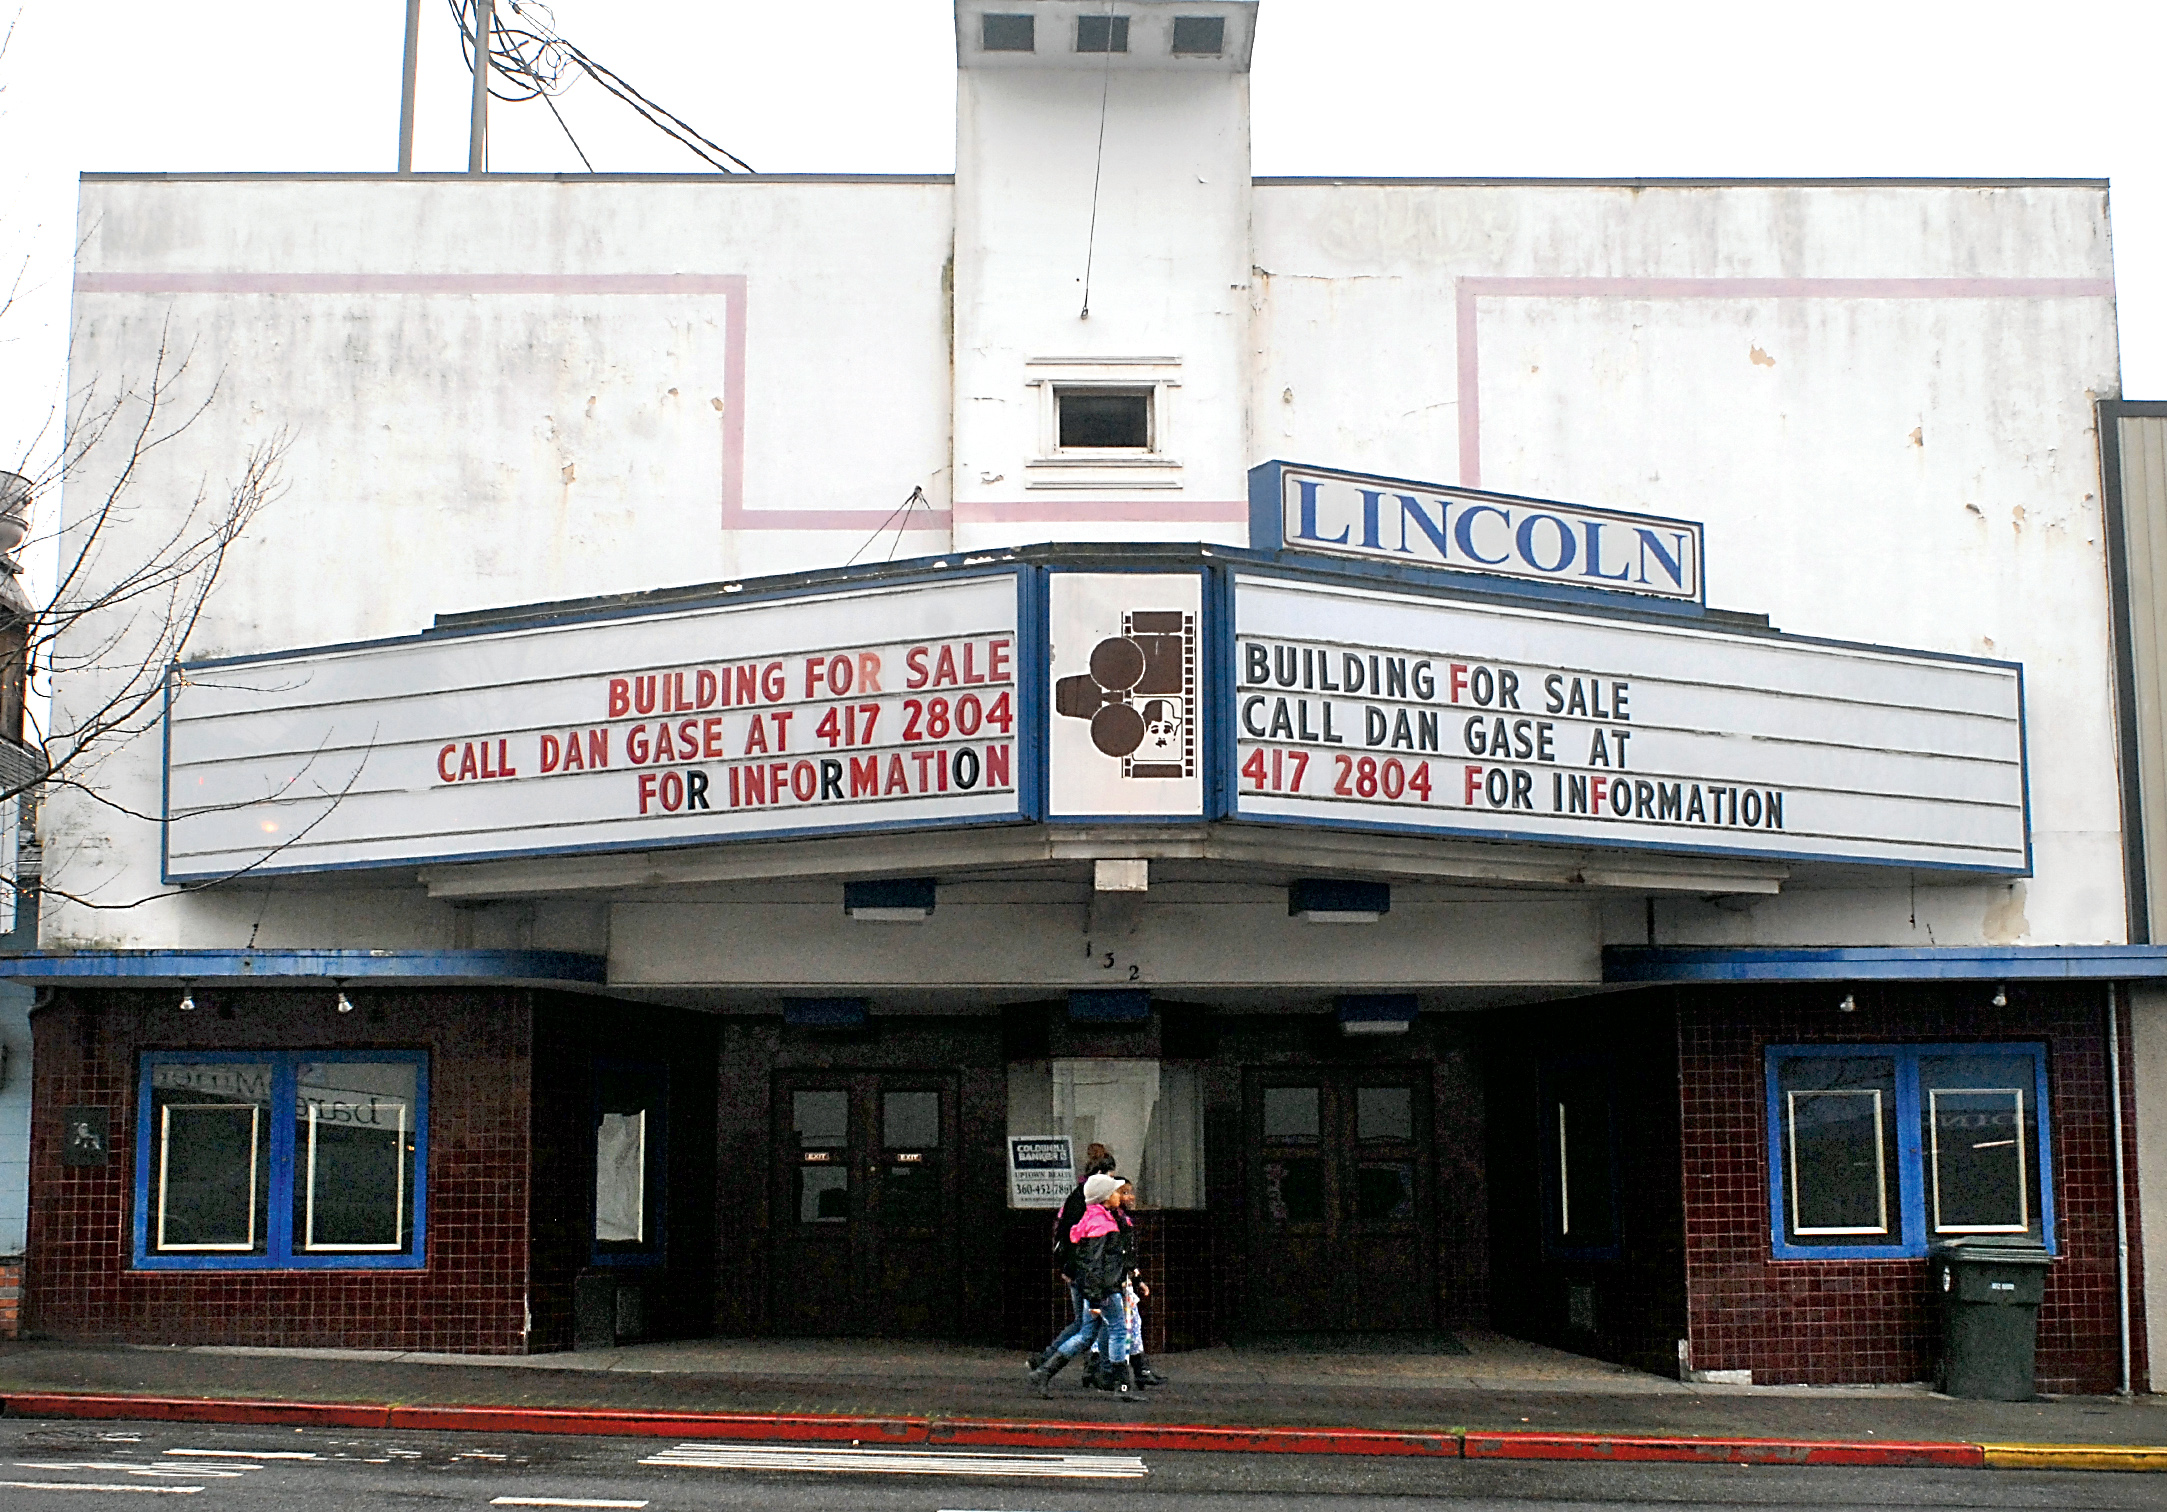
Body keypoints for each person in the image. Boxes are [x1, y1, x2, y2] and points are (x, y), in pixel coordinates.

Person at [1027, 1173, 1140, 1397]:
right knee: (1118, 1330)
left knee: (1086, 1334)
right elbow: (1095, 1263)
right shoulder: (1103, 1224)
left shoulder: (1093, 1219)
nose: (1120, 1195)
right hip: (1105, 1289)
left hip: (1096, 1289)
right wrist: (1098, 1296)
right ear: (1105, 1197)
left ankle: (1044, 1372)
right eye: (1116, 1192)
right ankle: (1122, 1385)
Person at [1028, 1143, 1117, 1378]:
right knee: (1093, 1327)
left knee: (1087, 1325)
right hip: (1084, 1272)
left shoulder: (1078, 1200)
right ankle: (1102, 1372)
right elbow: (1085, 1245)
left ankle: (1048, 1364)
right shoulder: (1089, 1207)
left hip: (1079, 1270)